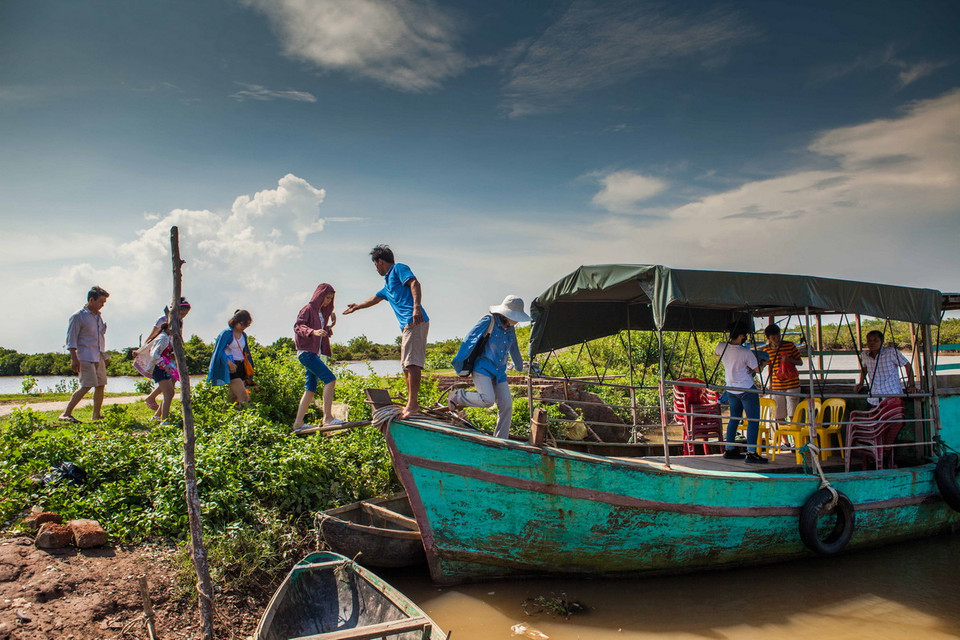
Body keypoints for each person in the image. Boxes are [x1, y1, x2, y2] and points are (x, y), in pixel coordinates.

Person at [343, 245, 428, 418]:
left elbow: (414, 283)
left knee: (412, 363)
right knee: (405, 365)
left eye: (375, 265)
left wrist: (416, 307)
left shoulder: (398, 269)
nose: (376, 269)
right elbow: (374, 299)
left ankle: (413, 405)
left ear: (380, 261)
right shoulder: (387, 285)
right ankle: (411, 404)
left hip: (415, 320)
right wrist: (357, 306)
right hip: (406, 325)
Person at [448, 295, 530, 439]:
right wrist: (459, 363)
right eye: (515, 317)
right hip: (483, 369)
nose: (517, 321)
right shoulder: (489, 321)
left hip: (499, 373)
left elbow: (514, 348)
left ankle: (500, 439)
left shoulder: (510, 329)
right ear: (506, 313)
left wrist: (519, 366)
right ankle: (457, 396)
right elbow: (469, 339)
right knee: (488, 400)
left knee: (507, 405)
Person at [292, 283, 344, 432]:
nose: (328, 301)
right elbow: (298, 326)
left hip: (313, 354)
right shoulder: (308, 309)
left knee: (310, 388)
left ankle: (298, 424)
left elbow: (322, 331)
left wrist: (331, 324)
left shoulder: (321, 314)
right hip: (306, 353)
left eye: (330, 299)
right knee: (330, 379)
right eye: (326, 297)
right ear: (319, 296)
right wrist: (312, 332)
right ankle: (327, 418)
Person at [715, 322, 767, 464]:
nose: (744, 337)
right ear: (740, 336)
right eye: (743, 335)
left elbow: (717, 352)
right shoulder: (745, 352)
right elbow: (757, 370)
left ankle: (729, 448)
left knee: (734, 418)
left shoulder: (722, 346)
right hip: (746, 388)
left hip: (731, 388)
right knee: (753, 420)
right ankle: (751, 452)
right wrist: (763, 363)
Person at [60, 286, 110, 423]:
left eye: (104, 303)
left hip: (97, 355)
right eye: (100, 302)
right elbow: (71, 339)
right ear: (91, 300)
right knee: (86, 385)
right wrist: (74, 358)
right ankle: (66, 413)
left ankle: (96, 414)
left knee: (100, 385)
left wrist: (103, 356)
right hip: (85, 356)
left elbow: (99, 337)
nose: (102, 305)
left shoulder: (98, 317)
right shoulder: (78, 316)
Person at [143, 298, 191, 411]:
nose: (182, 315)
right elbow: (153, 335)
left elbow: (179, 336)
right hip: (162, 355)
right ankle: (152, 398)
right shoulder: (163, 319)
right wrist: (143, 348)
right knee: (169, 386)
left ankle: (158, 412)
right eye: (181, 312)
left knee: (172, 382)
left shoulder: (180, 321)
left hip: (172, 353)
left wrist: (179, 350)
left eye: (185, 314)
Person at [207, 309, 254, 406]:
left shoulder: (243, 335)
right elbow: (219, 351)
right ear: (236, 321)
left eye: (247, 325)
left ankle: (224, 419)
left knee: (233, 399)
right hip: (230, 367)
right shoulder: (226, 333)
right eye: (243, 324)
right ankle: (247, 419)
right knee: (244, 396)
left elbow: (246, 352)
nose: (244, 328)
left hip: (241, 366)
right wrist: (228, 362)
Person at [856, 330, 915, 406]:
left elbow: (907, 365)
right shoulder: (865, 355)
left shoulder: (890, 352)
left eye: (876, 340)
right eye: (869, 341)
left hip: (892, 395)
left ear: (881, 341)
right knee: (873, 416)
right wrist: (861, 383)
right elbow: (864, 369)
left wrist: (911, 385)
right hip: (873, 397)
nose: (872, 343)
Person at [761, 324, 804, 425]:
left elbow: (800, 362)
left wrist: (789, 360)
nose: (776, 339)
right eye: (773, 337)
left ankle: (795, 437)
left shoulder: (790, 345)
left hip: (792, 383)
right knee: (779, 415)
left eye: (778, 336)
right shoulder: (766, 350)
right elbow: (769, 367)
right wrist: (770, 384)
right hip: (776, 385)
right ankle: (785, 440)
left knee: (793, 413)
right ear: (768, 338)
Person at [144, 322, 179, 422]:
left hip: (161, 367)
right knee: (168, 393)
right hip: (159, 368)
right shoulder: (163, 338)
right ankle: (164, 420)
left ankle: (159, 417)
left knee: (170, 393)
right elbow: (154, 354)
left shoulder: (166, 337)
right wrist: (164, 365)